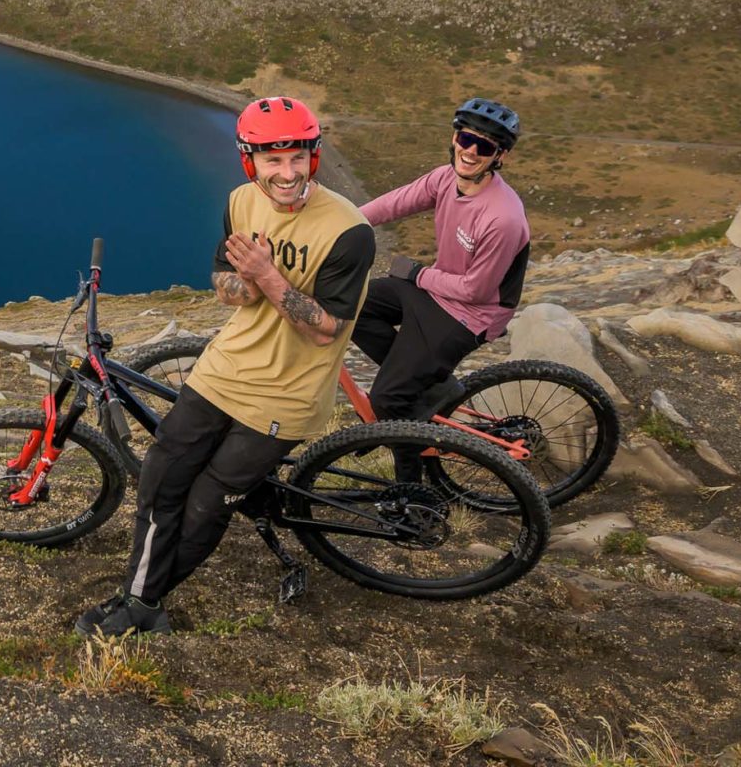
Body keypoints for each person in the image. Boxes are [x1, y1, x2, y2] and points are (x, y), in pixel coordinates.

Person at [78, 97, 375, 637]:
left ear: (315, 155)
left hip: (286, 395)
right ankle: (141, 599)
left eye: (298, 158)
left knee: (205, 504)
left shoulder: (348, 231)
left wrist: (267, 274)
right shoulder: (241, 202)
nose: (287, 173)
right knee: (159, 484)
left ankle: (140, 604)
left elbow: (325, 328)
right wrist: (243, 280)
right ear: (250, 161)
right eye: (272, 160)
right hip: (222, 372)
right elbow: (227, 289)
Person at [352, 98, 530, 477]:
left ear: (501, 157)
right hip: (437, 294)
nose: (470, 151)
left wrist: (415, 274)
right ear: (454, 137)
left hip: (469, 315)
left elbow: (476, 291)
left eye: (484, 146)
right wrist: (345, 224)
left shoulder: (503, 218)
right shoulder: (445, 178)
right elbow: (394, 204)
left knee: (388, 398)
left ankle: (414, 488)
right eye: (467, 138)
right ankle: (432, 388)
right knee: (351, 304)